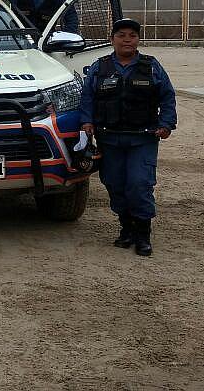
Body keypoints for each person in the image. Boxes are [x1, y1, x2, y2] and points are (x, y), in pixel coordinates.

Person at [79, 18, 176, 257]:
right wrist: (86, 122)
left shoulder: (151, 66)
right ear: (112, 39)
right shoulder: (99, 67)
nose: (127, 40)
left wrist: (166, 124)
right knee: (114, 183)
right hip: (109, 138)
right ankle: (127, 228)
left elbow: (167, 96)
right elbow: (87, 97)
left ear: (138, 39)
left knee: (139, 184)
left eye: (132, 35)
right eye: (121, 35)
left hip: (142, 139)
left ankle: (143, 234)